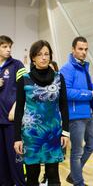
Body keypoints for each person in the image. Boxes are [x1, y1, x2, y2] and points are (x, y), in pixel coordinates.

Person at [13, 40, 69, 186]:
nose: (44, 57)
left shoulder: (59, 78)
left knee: (53, 175)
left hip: (53, 133)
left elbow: (64, 107)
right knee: (32, 176)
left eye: (46, 54)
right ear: (33, 57)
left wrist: (66, 132)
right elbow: (19, 110)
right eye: (39, 54)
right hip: (31, 135)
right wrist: (17, 138)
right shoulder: (24, 80)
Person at [60, 36, 93, 186]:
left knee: (92, 145)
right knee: (77, 152)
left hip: (87, 114)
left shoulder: (83, 67)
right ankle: (78, 182)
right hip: (75, 116)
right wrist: (90, 94)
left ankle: (73, 175)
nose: (84, 52)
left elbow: (86, 84)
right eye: (80, 49)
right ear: (73, 50)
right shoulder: (67, 69)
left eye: (86, 49)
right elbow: (66, 92)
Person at [0, 35, 26, 186]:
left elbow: (25, 90)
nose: (8, 49)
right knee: (1, 162)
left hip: (11, 121)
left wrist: (16, 108)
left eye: (10, 46)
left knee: (15, 160)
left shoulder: (17, 65)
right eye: (4, 46)